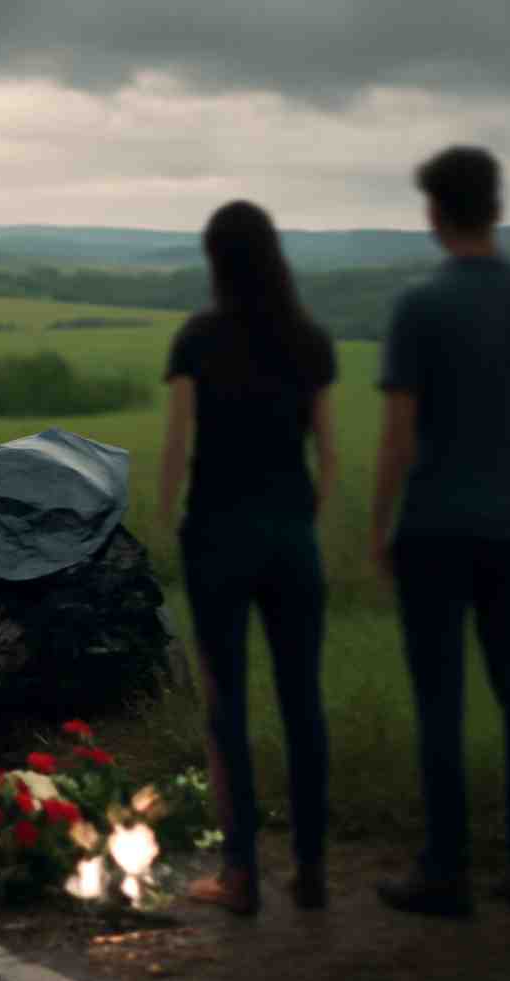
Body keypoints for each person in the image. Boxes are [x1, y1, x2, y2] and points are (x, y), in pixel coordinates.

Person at [371, 146, 510, 917]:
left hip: (432, 528)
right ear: (497, 205)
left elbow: (399, 432)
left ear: (434, 212)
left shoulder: (420, 305)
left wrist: (380, 523)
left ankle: (445, 872)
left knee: (441, 702)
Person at [158, 200, 338, 914]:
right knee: (303, 703)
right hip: (291, 538)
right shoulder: (309, 340)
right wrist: (301, 523)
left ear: (216, 262)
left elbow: (178, 446)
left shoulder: (197, 340)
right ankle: (312, 868)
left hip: (216, 537)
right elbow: (329, 454)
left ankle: (240, 876)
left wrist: (167, 520)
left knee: (226, 706)